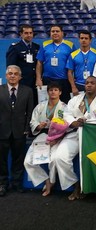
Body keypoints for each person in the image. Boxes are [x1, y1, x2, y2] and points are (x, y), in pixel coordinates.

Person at [55, 76, 96, 200]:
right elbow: (66, 114)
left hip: (94, 136)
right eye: (87, 83)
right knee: (59, 157)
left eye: (92, 83)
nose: (89, 85)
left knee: (91, 161)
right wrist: (73, 122)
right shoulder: (75, 100)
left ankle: (87, 188)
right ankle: (75, 184)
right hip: (75, 133)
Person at [24, 82, 68, 196]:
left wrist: (57, 139)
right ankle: (46, 180)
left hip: (58, 138)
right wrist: (39, 126)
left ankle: (52, 182)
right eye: (51, 90)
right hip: (43, 135)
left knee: (54, 159)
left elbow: (68, 125)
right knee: (28, 162)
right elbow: (33, 121)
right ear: (47, 92)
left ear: (60, 92)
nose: (53, 92)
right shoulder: (40, 106)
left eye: (56, 90)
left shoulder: (64, 107)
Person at [0, 65, 33, 196]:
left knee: (18, 158)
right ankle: (2, 184)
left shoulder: (28, 91)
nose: (12, 76)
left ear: (20, 76)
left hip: (20, 131)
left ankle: (17, 183)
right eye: (10, 73)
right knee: (1, 160)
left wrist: (26, 129)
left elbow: (30, 112)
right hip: (2, 131)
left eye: (15, 74)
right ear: (6, 76)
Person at [36, 24, 76, 103]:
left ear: (62, 33)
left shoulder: (70, 45)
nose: (55, 33)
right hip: (47, 79)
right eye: (52, 31)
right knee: (47, 103)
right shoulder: (44, 44)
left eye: (57, 31)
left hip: (64, 80)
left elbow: (74, 63)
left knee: (64, 104)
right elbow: (39, 62)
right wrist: (38, 78)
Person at [6, 25, 40, 105]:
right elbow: (11, 67)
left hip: (34, 83)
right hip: (22, 82)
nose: (29, 35)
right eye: (26, 33)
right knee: (22, 105)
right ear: (21, 34)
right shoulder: (15, 47)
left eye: (31, 33)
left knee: (34, 104)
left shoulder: (36, 47)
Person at [66, 30, 96, 96]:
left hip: (92, 85)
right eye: (82, 38)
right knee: (78, 106)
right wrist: (73, 87)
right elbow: (69, 72)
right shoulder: (73, 55)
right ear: (79, 40)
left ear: (90, 40)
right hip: (78, 85)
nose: (83, 40)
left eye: (86, 38)